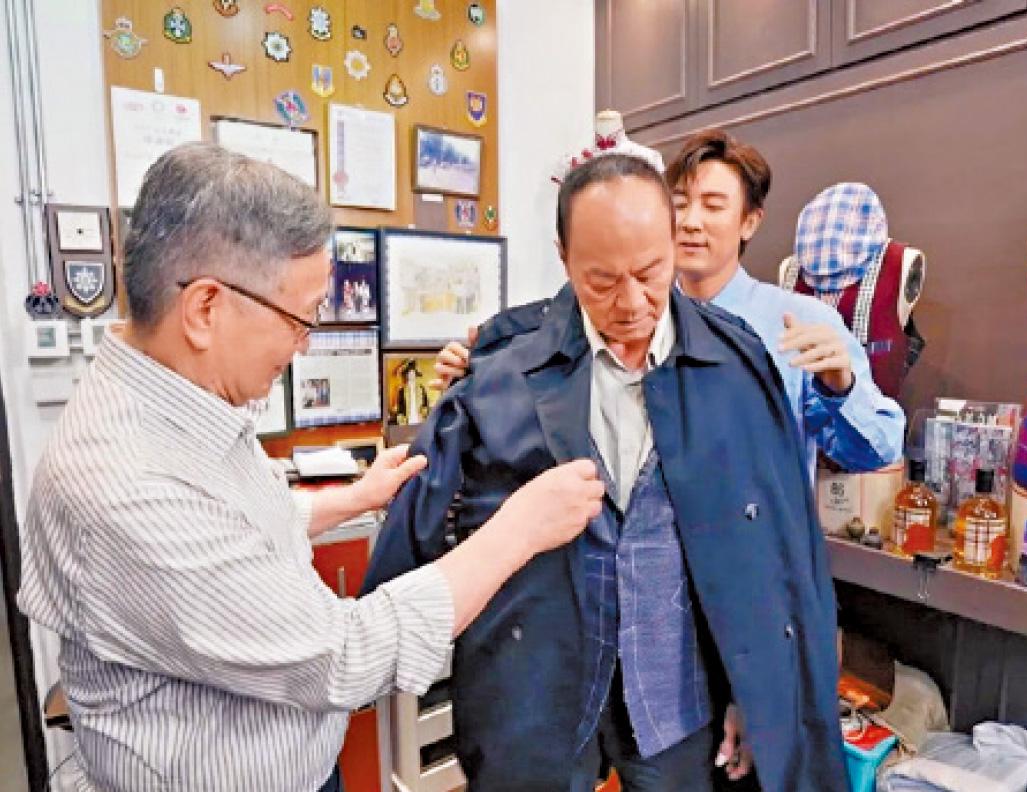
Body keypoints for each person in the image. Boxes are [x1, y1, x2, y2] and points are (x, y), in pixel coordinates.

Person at [17, 143, 605, 792]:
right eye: (300, 319)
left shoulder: (181, 403)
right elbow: (344, 656)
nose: (304, 345)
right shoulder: (128, 485)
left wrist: (354, 498)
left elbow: (235, 524)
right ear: (206, 308)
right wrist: (519, 529)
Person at [362, 154, 846, 792]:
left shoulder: (735, 364)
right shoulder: (504, 365)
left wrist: (758, 699)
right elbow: (422, 524)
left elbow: (773, 555)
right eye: (602, 282)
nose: (631, 303)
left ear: (671, 242)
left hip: (679, 698)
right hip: (538, 693)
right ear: (565, 258)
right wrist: (373, 646)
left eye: (650, 273)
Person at [435, 129, 904, 476]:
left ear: (750, 222)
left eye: (713, 205)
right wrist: (484, 374)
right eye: (680, 203)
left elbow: (877, 451)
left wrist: (840, 388)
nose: (691, 221)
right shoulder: (624, 319)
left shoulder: (800, 322)